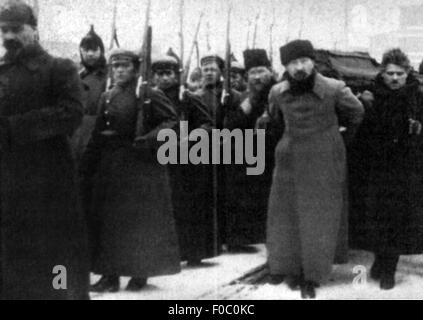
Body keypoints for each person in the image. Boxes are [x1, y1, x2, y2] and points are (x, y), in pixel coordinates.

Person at [0, 1, 89, 300]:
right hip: (9, 178)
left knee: (55, 252)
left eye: (16, 30)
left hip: (49, 178)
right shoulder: (1, 71)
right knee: (12, 249)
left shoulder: (59, 68)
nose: (9, 36)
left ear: (34, 31)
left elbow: (72, 113)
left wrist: (14, 127)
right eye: (3, 30)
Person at [266, 40, 364, 299]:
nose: (299, 67)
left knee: (317, 217)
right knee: (284, 214)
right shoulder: (277, 92)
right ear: (285, 66)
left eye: (304, 61)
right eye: (292, 63)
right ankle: (285, 267)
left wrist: (340, 140)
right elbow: (273, 118)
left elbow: (357, 113)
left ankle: (312, 275)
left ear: (313, 62)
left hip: (324, 159)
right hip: (289, 160)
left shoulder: (334, 89)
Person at [80, 49, 181, 293]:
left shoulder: (148, 94)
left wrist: (148, 139)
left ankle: (140, 272)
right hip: (111, 166)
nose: (119, 71)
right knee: (109, 222)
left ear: (136, 70)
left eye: (125, 66)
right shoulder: (107, 96)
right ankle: (109, 276)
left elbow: (171, 122)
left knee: (139, 222)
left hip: (141, 166)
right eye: (115, 67)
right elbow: (96, 135)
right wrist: (85, 165)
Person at [358, 48, 423, 290]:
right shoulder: (371, 95)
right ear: (382, 74)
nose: (395, 78)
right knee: (376, 218)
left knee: (398, 219)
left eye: (399, 73)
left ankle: (389, 270)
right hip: (377, 167)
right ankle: (379, 259)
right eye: (390, 74)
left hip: (407, 169)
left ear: (408, 73)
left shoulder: (417, 96)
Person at [152, 55, 215, 266]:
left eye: (168, 74)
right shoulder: (150, 98)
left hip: (188, 161)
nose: (164, 79)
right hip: (161, 160)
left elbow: (207, 125)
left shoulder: (187, 98)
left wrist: (189, 139)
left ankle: (193, 252)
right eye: (159, 74)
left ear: (177, 75)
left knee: (189, 207)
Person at [224, 49, 276, 251]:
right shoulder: (245, 97)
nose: (256, 77)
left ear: (270, 71)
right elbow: (231, 127)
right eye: (252, 73)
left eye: (261, 71)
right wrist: (246, 107)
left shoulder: (279, 92)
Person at [196, 53, 242, 250]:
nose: (208, 73)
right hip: (204, 149)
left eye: (213, 69)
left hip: (229, 149)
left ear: (220, 72)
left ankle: (230, 238)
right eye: (205, 69)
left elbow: (239, 121)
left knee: (227, 194)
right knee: (208, 194)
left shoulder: (232, 95)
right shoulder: (196, 95)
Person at [71, 25, 107, 163]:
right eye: (86, 50)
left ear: (101, 51)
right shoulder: (75, 75)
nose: (90, 54)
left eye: (94, 49)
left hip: (98, 130)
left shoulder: (109, 76)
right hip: (76, 132)